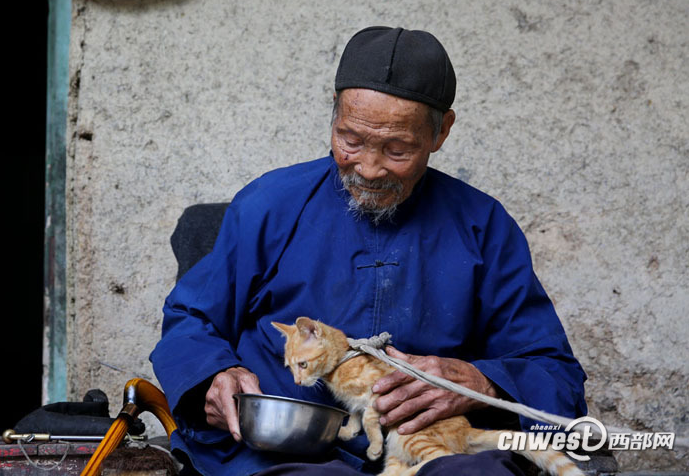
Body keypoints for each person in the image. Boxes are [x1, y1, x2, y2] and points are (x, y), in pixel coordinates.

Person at [150, 26, 587, 476]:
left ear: (441, 132)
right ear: (334, 115)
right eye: (351, 140)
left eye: (397, 149)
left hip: (430, 449)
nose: (370, 168)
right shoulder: (270, 204)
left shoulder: (484, 226)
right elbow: (192, 319)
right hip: (284, 452)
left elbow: (553, 371)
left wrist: (485, 383)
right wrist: (214, 376)